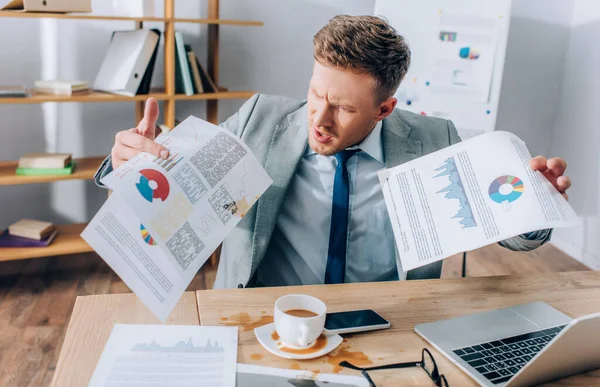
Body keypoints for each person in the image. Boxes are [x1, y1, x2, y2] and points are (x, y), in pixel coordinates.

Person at [95, 15, 571, 289]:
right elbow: (173, 181)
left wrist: (536, 202)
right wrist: (128, 164)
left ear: (384, 108)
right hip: (267, 315)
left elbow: (512, 235)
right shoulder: (262, 118)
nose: (318, 119)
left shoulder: (433, 140)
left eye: (342, 108)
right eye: (315, 93)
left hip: (387, 322)